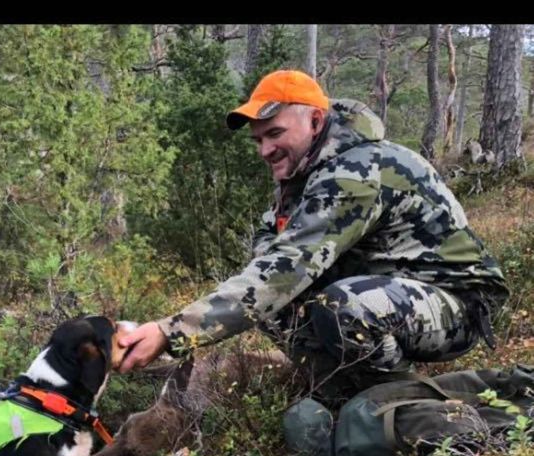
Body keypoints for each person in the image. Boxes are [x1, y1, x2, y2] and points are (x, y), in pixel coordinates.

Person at [118, 69, 509, 404]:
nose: (265, 150)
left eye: (274, 133)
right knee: (278, 304)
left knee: (340, 306)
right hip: (393, 294)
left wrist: (171, 332)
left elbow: (281, 271)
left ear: (316, 122)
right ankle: (338, 392)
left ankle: (400, 406)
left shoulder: (355, 173)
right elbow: (269, 255)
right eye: (258, 140)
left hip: (457, 304)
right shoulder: (304, 171)